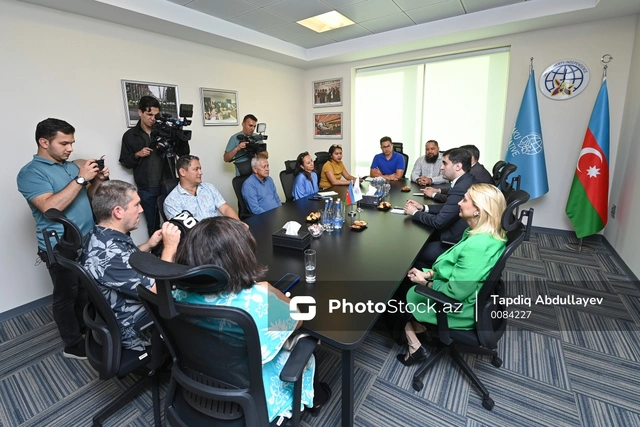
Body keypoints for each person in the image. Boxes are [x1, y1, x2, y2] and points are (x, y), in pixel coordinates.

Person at [173, 217, 329, 422]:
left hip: (196, 380)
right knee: (304, 342)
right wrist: (269, 290)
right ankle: (315, 397)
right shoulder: (257, 299)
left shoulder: (176, 295)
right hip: (251, 396)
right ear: (241, 257)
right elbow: (297, 320)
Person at [17, 118, 110, 359]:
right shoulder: (30, 173)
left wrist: (96, 180)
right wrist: (81, 178)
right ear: (44, 142)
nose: (70, 148)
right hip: (59, 244)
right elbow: (50, 208)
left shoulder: (69, 167)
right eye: (64, 143)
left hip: (86, 238)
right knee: (66, 296)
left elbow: (85, 197)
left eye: (72, 142)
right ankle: (72, 345)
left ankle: (85, 330)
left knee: (85, 291)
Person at [397, 184, 507, 365]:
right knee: (408, 275)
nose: (459, 203)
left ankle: (414, 346)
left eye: (464, 200)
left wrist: (425, 283)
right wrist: (430, 273)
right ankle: (419, 326)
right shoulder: (486, 233)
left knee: (397, 288)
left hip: (458, 307)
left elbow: (456, 292)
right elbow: (456, 269)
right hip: (467, 292)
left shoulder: (476, 246)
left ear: (478, 211)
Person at [81, 180, 181, 350]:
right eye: (137, 205)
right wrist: (170, 247)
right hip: (140, 327)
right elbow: (160, 292)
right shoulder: (110, 255)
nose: (141, 210)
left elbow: (128, 260)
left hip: (128, 309)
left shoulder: (101, 236)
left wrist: (148, 245)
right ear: (118, 212)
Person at [119, 96, 191, 237]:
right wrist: (138, 154)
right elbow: (125, 161)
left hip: (168, 183)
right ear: (140, 112)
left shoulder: (165, 132)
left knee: (176, 221)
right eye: (149, 114)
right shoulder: (130, 136)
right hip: (147, 186)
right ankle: (157, 253)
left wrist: (179, 135)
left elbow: (184, 153)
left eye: (155, 115)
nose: (153, 118)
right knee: (153, 225)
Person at [404, 148, 477, 265]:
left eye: (445, 163)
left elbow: (439, 222)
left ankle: (425, 279)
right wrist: (423, 208)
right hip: (459, 234)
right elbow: (448, 208)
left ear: (458, 166)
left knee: (412, 253)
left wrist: (414, 213)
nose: (441, 167)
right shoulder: (466, 180)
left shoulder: (460, 188)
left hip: (454, 242)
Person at [163, 155, 241, 221]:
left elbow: (225, 208)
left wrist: (239, 225)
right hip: (197, 238)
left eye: (200, 169)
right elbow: (182, 232)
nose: (201, 172)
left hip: (218, 234)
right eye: (196, 169)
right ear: (182, 172)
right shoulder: (171, 201)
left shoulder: (209, 188)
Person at [424, 145, 493, 201]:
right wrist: (438, 190)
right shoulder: (474, 168)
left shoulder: (475, 172)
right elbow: (455, 189)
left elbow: (457, 199)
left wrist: (434, 195)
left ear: (471, 157)